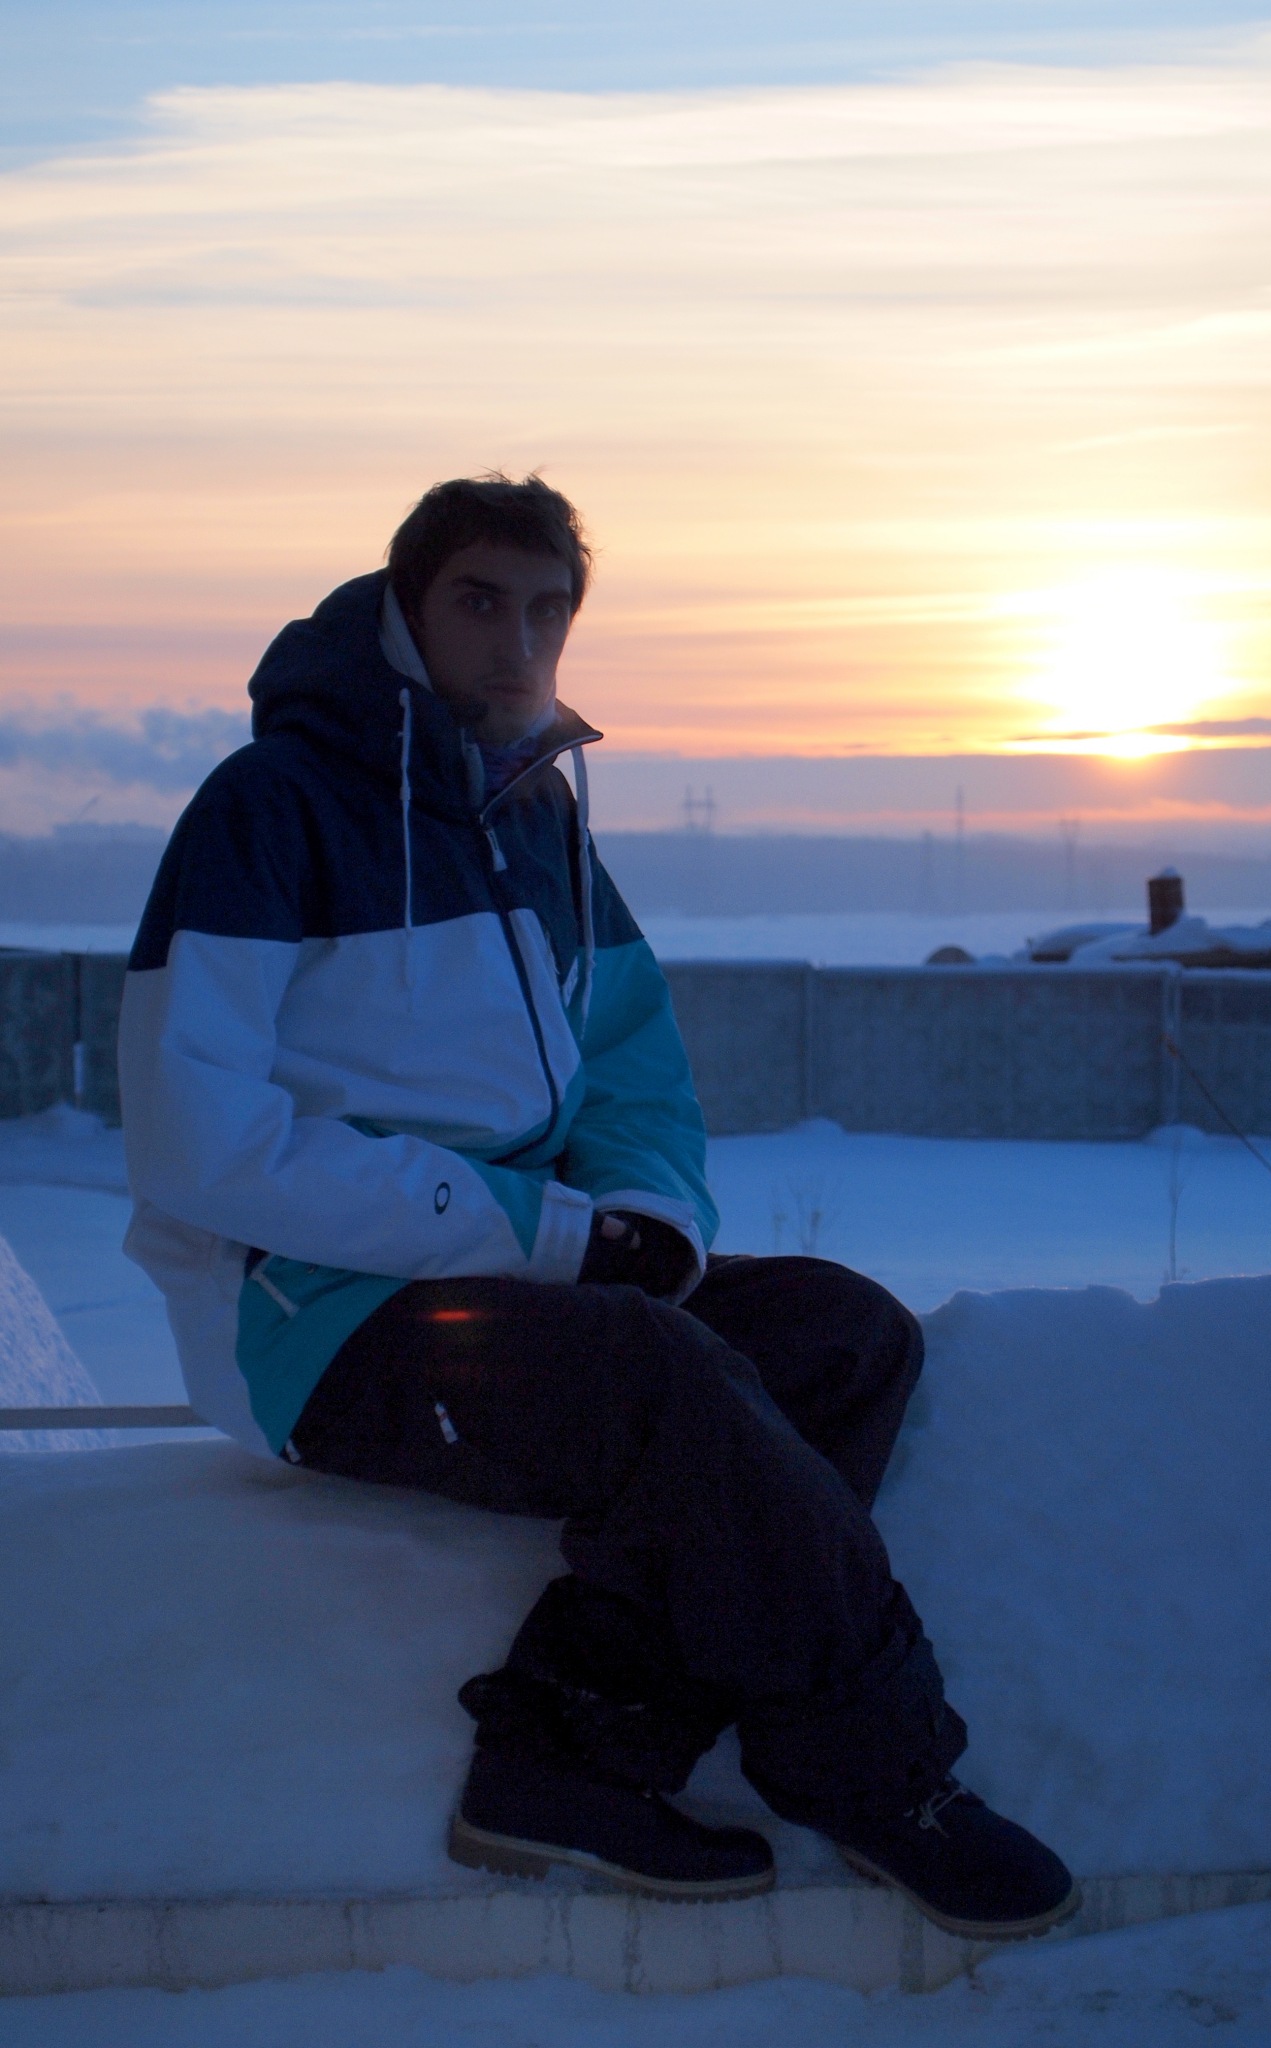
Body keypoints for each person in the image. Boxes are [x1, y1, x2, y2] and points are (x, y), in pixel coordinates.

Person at [118, 473, 1079, 1939]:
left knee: (841, 1334)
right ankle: (877, 1773)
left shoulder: (538, 814)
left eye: (548, 609)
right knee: (658, 1374)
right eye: (480, 601)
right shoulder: (269, 809)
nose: (519, 641)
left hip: (516, 1278)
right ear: (405, 608)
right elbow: (202, 1146)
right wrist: (559, 1237)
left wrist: (647, 1215)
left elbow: (630, 1054)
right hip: (309, 1319)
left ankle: (566, 1761)